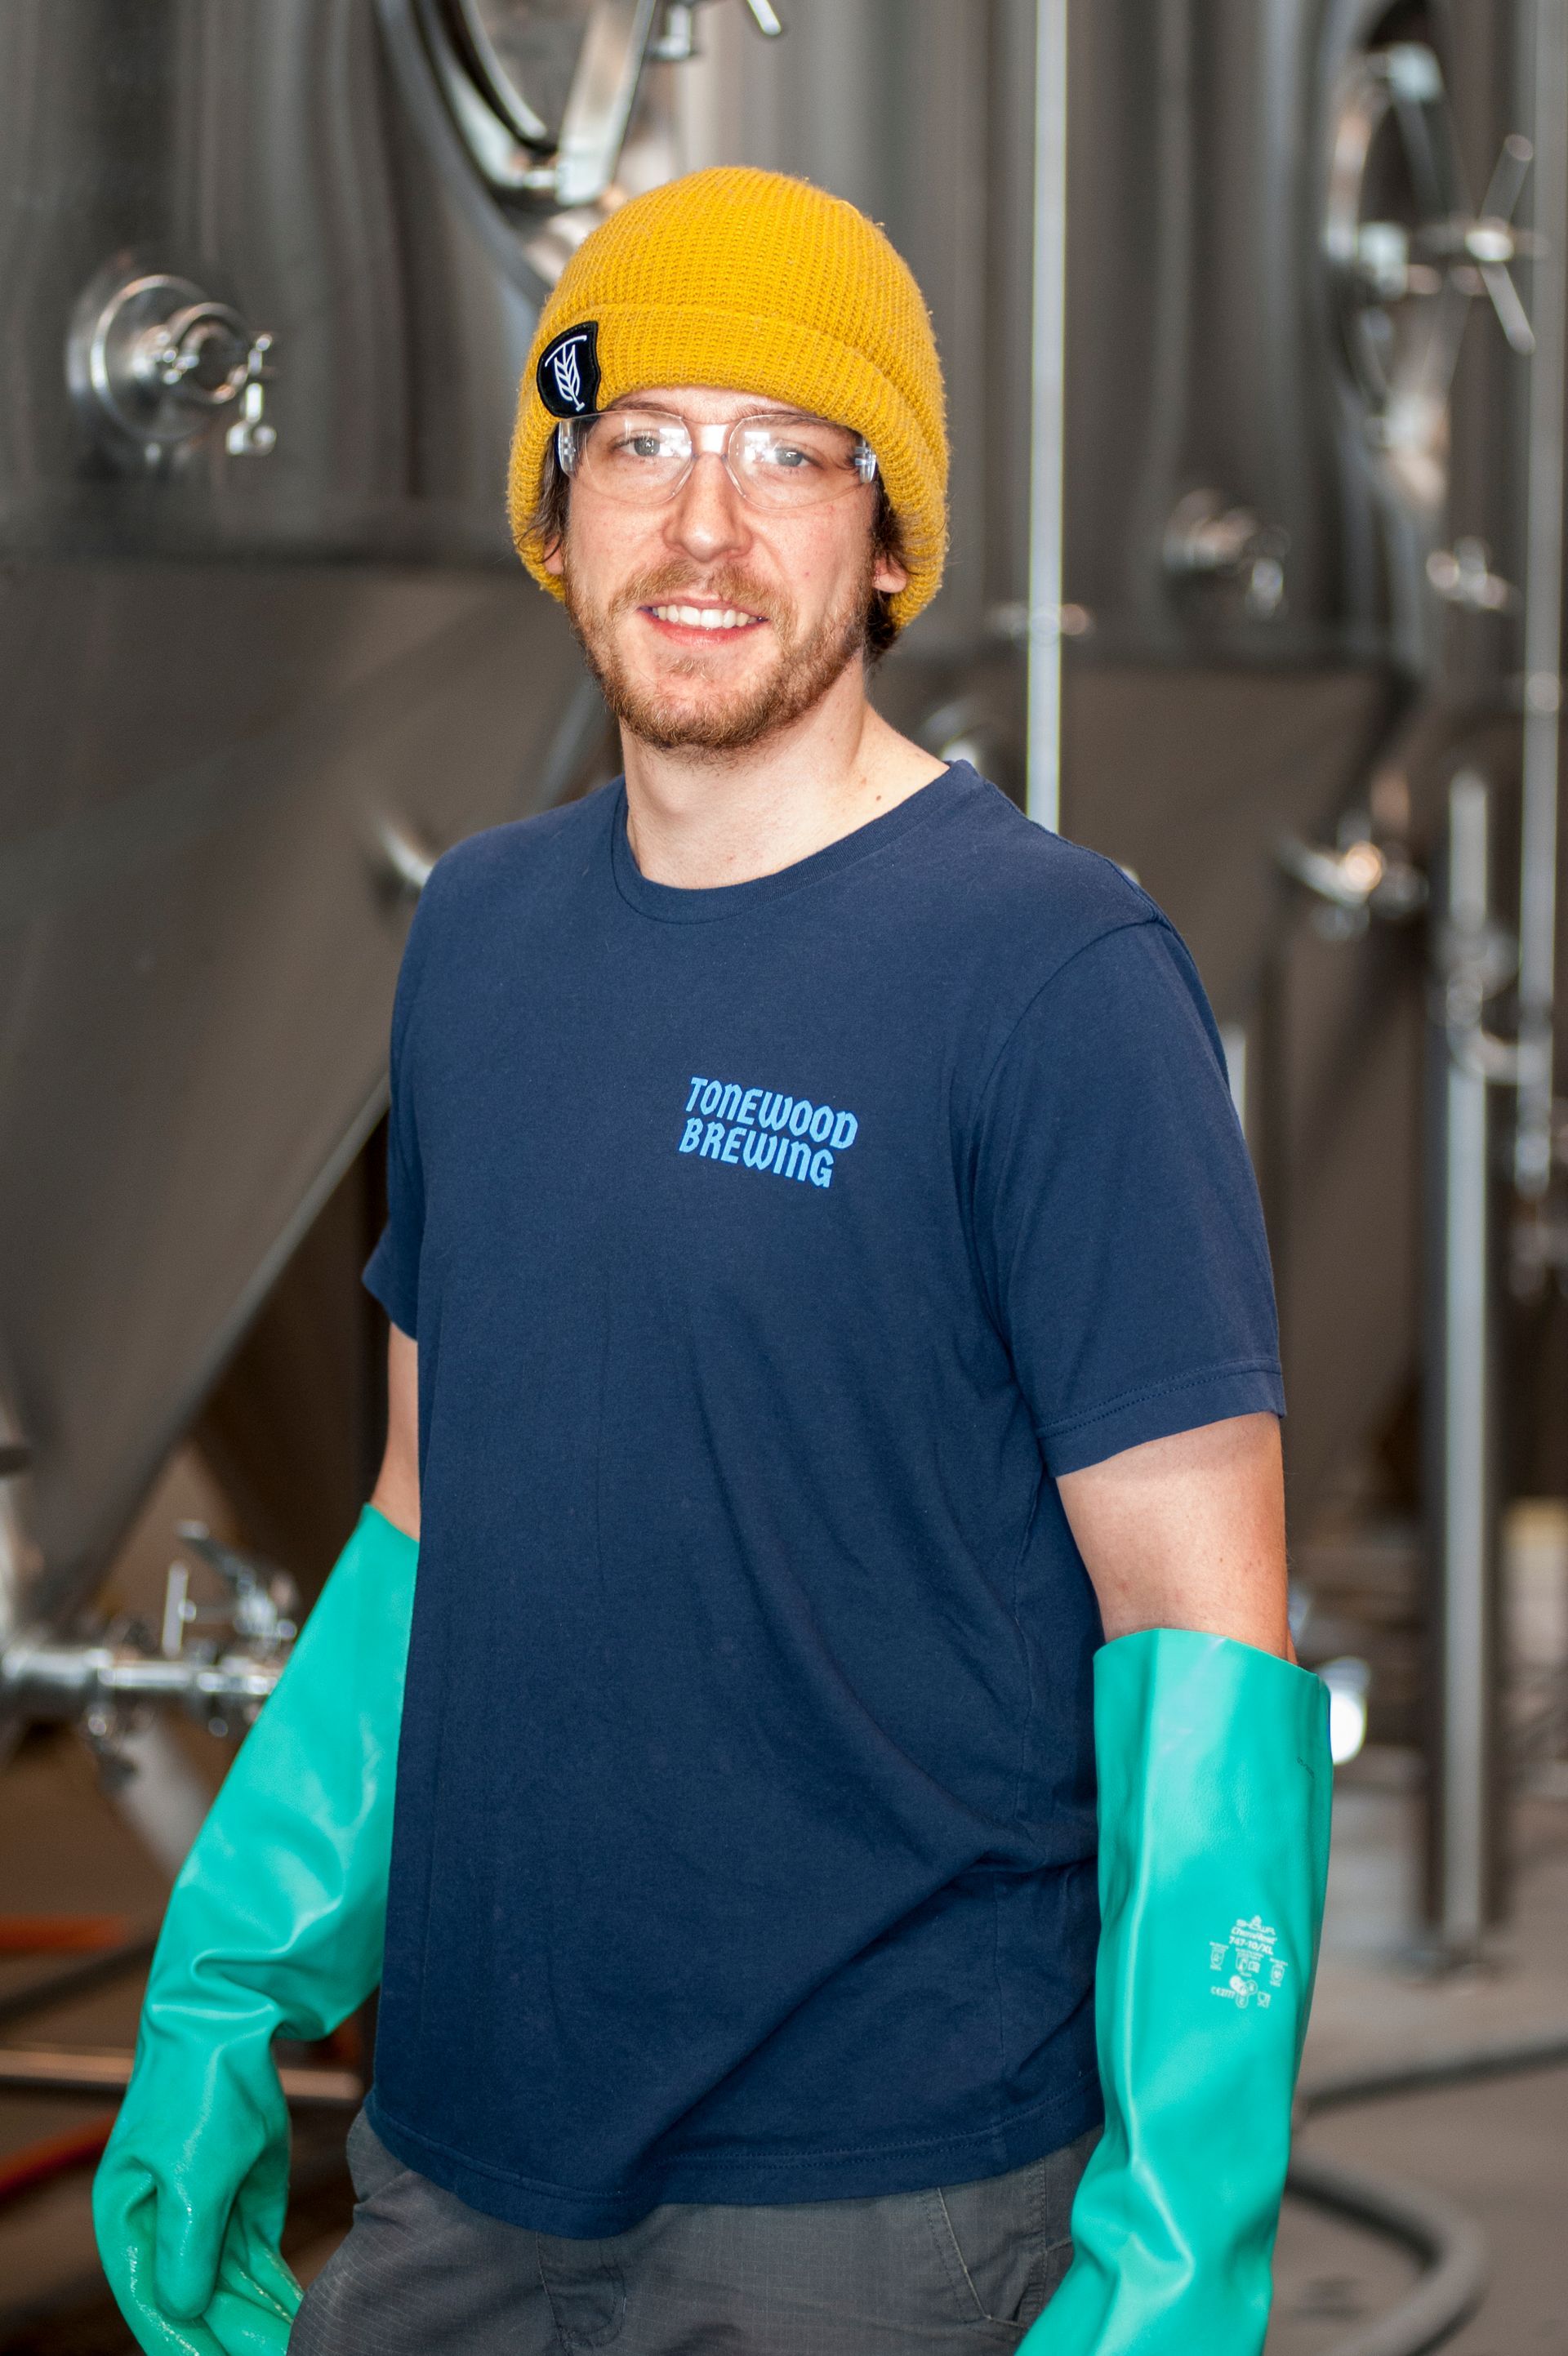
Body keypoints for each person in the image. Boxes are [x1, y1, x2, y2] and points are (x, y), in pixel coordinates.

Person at [95, 167, 1330, 2356]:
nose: (705, 523)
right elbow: (424, 1510)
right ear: (557, 508)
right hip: (456, 2166)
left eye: (791, 454)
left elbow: (1202, 1636)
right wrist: (233, 1969)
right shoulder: (476, 936)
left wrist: (1178, 2242)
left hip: (874, 2208)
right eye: (643, 440)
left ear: (889, 538)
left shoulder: (1053, 975)